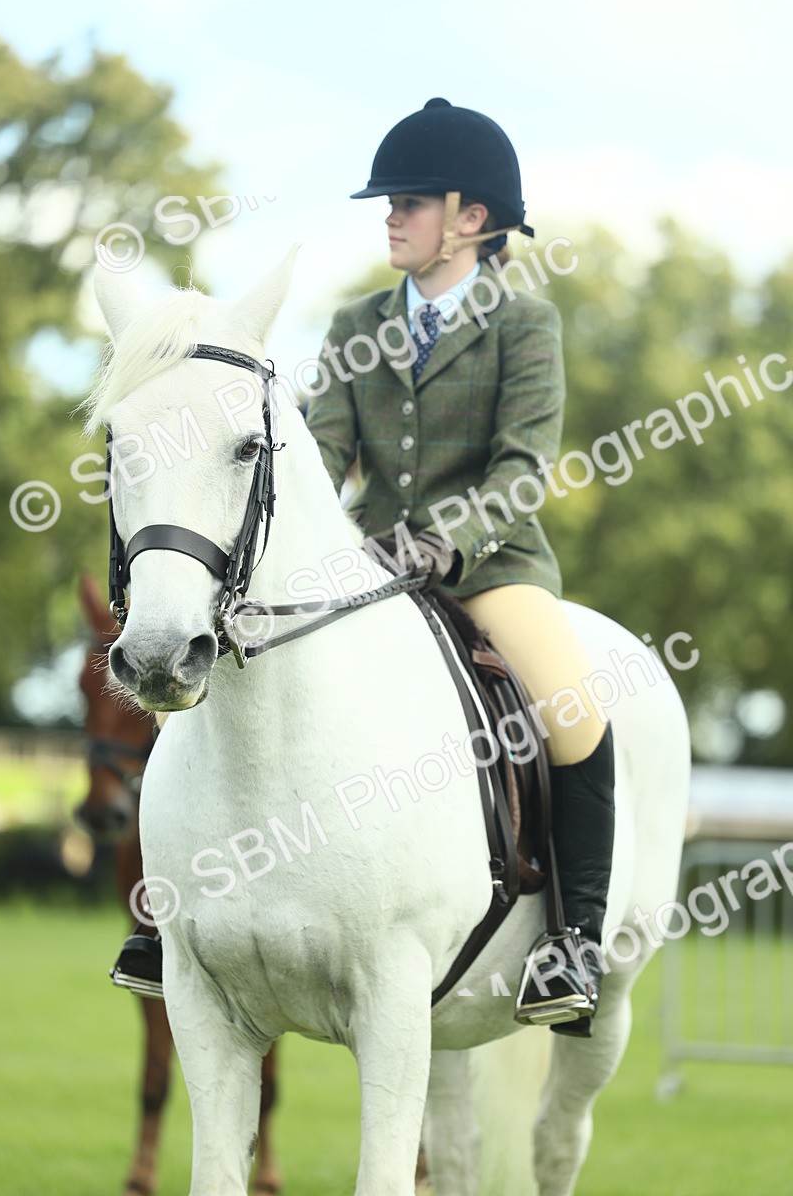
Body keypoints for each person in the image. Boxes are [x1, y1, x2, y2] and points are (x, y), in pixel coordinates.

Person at [304, 98, 614, 1037]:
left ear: (470, 219)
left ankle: (574, 940)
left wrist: (451, 541)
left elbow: (523, 469)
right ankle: (178, 920)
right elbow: (322, 455)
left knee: (575, 715)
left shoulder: (527, 325)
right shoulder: (356, 321)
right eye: (387, 203)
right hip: (367, 566)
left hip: (488, 568)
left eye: (406, 200)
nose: (389, 216)